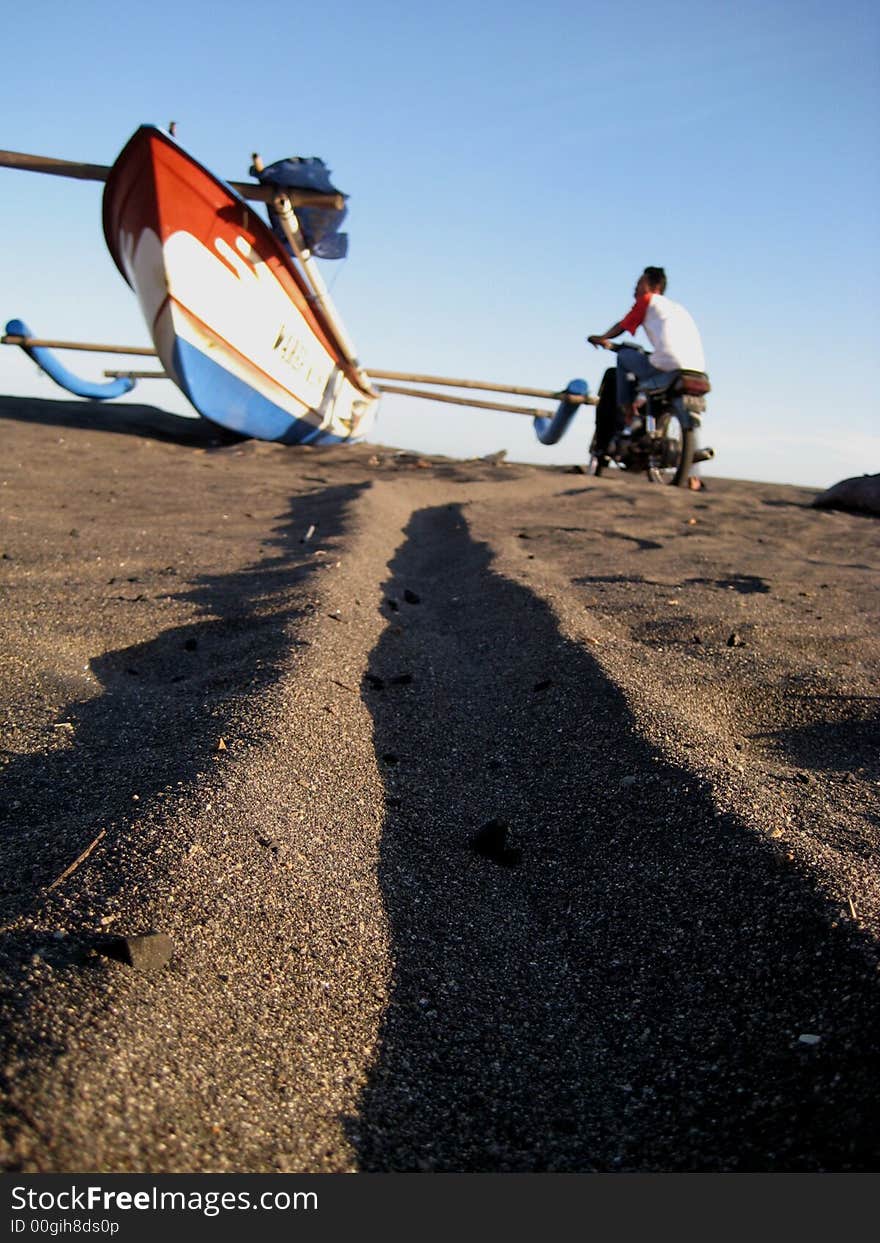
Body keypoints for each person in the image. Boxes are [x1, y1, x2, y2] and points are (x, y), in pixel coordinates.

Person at [586, 267, 707, 486]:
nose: (635, 287)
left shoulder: (648, 301)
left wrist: (602, 338)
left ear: (653, 287)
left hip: (668, 365)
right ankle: (694, 478)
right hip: (696, 369)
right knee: (691, 418)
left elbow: (622, 325)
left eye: (639, 283)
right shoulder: (678, 309)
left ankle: (626, 408)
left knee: (624, 356)